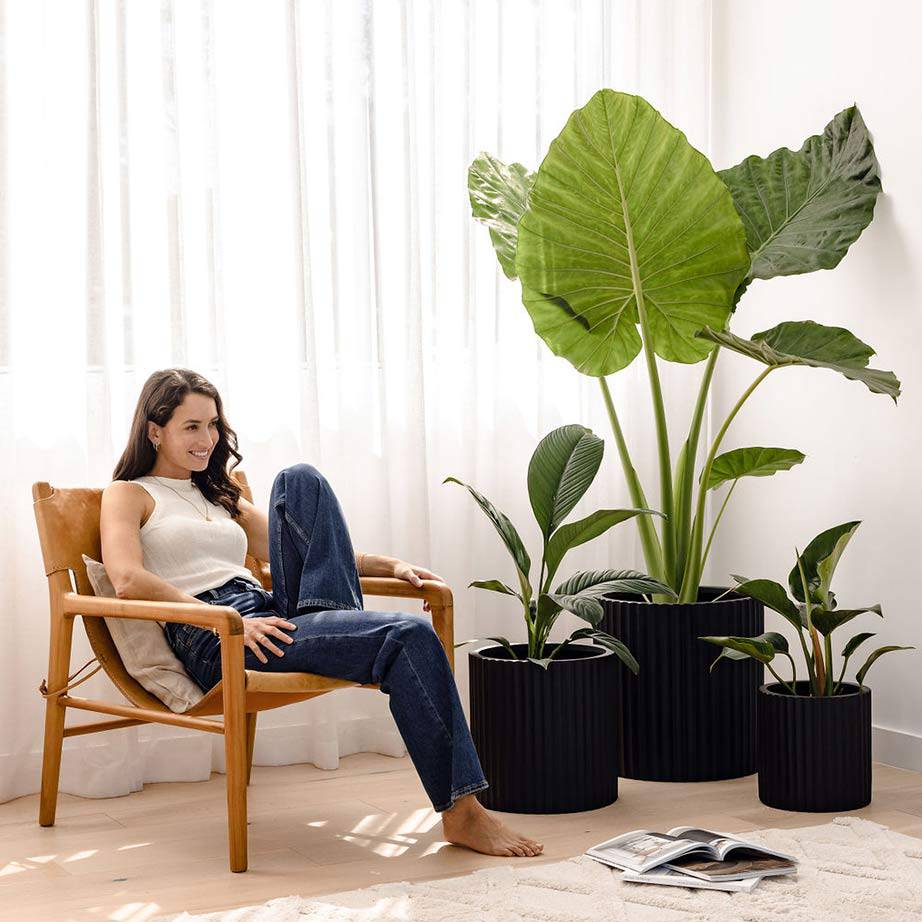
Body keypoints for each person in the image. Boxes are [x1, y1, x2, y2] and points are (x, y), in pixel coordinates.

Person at [100, 368, 544, 859]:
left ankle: (344, 623)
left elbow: (310, 555)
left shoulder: (218, 493)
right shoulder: (129, 494)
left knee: (299, 479)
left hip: (271, 616)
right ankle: (463, 814)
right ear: (154, 430)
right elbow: (127, 579)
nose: (206, 439)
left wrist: (387, 563)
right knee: (410, 635)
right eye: (191, 427)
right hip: (218, 634)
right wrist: (230, 622)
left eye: (212, 425)